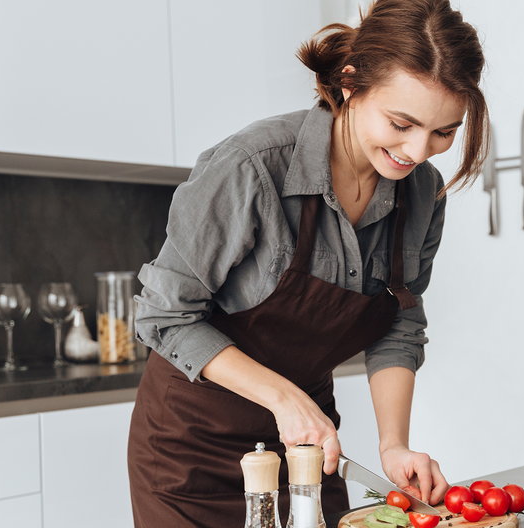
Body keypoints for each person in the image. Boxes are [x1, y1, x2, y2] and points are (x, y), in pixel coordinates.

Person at [127, 0, 489, 525]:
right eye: (401, 123)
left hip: (306, 450)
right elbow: (163, 316)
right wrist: (283, 397)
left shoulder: (423, 194)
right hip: (190, 453)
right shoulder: (251, 167)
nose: (417, 151)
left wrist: (394, 446)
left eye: (443, 132)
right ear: (350, 83)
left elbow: (399, 321)